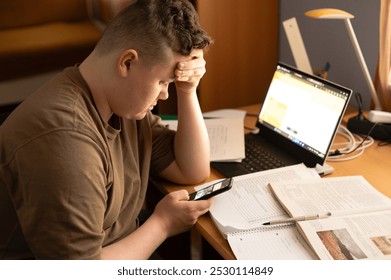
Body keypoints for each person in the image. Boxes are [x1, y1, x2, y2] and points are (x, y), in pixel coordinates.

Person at [0, 0, 213, 259]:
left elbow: (191, 169)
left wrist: (187, 89)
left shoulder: (123, 105)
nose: (165, 94)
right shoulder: (65, 139)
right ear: (127, 63)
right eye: (162, 82)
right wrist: (162, 225)